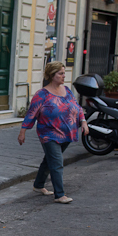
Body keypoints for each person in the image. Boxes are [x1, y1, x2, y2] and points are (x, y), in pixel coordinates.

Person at [18, 61, 87, 204]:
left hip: (67, 133)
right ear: (52, 75)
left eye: (64, 73)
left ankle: (38, 185)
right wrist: (22, 132)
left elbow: (78, 108)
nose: (63, 76)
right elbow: (31, 114)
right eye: (60, 73)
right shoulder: (41, 94)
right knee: (56, 162)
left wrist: (84, 122)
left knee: (49, 160)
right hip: (48, 134)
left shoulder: (67, 90)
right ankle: (60, 195)